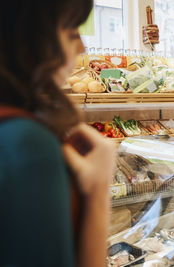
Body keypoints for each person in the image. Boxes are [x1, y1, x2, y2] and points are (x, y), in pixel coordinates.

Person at [0, 1, 116, 267]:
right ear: (30, 37)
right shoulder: (27, 143)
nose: (82, 48)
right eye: (72, 33)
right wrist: (98, 191)